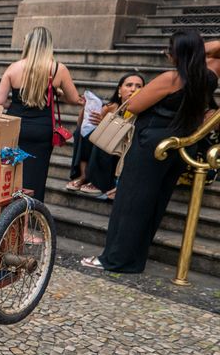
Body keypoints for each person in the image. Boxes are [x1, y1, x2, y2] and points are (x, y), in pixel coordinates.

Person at [82, 30, 220, 273]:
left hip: (152, 144)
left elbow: (133, 105)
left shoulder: (172, 78)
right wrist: (197, 48)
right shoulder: (209, 77)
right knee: (155, 203)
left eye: (170, 50)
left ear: (176, 53)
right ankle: (134, 260)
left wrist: (191, 49)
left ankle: (115, 259)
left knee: (131, 202)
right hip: (182, 144)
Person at [0, 26, 83, 202]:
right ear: (49, 46)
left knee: (12, 173)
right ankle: (31, 218)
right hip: (42, 131)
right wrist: (57, 93)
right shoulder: (58, 69)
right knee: (36, 177)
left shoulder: (13, 68)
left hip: (15, 129)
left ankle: (10, 213)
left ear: (28, 44)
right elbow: (74, 99)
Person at [66, 73, 145, 199]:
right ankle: (83, 175)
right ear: (119, 90)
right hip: (104, 149)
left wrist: (106, 126)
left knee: (108, 132)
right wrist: (85, 109)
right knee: (82, 131)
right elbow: (83, 125)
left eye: (138, 86)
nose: (133, 89)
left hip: (123, 151)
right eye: (129, 85)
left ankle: (100, 182)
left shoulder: (143, 110)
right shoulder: (111, 107)